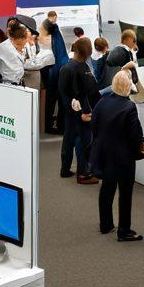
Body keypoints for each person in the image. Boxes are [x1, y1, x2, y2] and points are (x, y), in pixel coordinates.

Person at [90, 72, 144, 241]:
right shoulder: (129, 107)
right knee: (125, 193)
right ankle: (124, 230)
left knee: (106, 189)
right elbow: (135, 135)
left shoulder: (102, 102)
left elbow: (94, 127)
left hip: (104, 153)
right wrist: (137, 152)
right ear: (129, 87)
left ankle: (105, 224)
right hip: (123, 157)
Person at [58, 38, 100, 184]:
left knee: (68, 140)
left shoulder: (65, 68)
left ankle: (65, 169)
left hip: (70, 111)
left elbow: (63, 94)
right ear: (87, 52)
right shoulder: (83, 68)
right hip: (83, 111)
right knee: (83, 142)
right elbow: (93, 92)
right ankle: (83, 173)